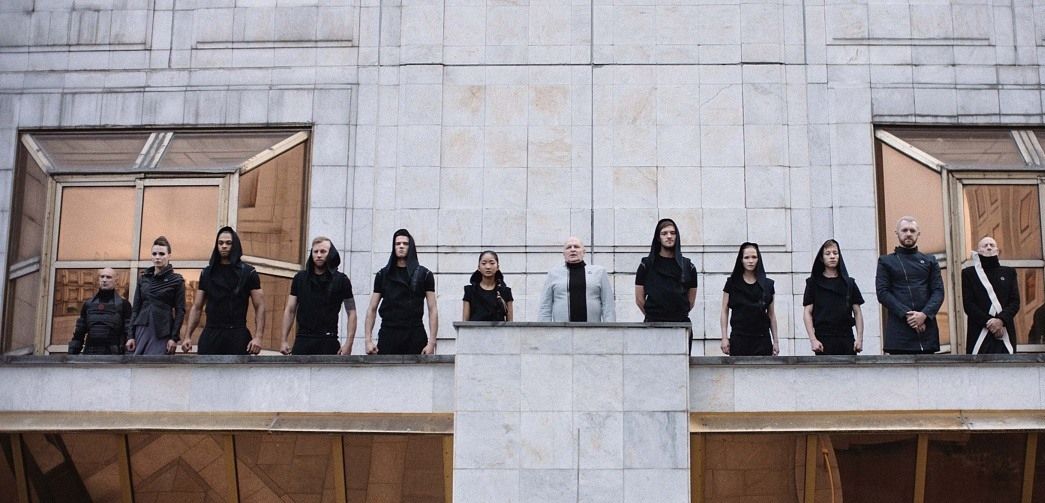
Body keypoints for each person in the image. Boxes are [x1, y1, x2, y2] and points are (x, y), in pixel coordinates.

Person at [182, 227, 265, 355]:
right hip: (211, 334)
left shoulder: (249, 273)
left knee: (237, 369)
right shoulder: (207, 273)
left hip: (237, 334)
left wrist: (258, 337)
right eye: (220, 243)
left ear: (235, 245)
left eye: (228, 243)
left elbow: (260, 306)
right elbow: (197, 307)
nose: (224, 246)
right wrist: (187, 336)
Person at [876, 216, 945, 354]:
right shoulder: (885, 261)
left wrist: (924, 315)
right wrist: (908, 315)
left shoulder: (930, 261)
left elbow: (938, 291)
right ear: (897, 233)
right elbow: (882, 293)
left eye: (912, 230)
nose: (908, 234)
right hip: (899, 331)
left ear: (918, 233)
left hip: (926, 330)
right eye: (904, 230)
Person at [364, 229, 438, 355]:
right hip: (388, 333)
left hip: (415, 333)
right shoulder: (383, 275)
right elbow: (372, 308)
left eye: (405, 243)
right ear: (394, 247)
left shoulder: (425, 274)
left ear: (411, 246)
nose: (401, 246)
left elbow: (433, 309)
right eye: (398, 244)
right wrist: (368, 340)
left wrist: (431, 343)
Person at [280, 236, 356, 355]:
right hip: (303, 339)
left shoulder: (341, 280)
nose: (319, 255)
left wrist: (349, 344)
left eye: (323, 251)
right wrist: (283, 340)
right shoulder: (300, 278)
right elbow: (290, 310)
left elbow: (351, 312)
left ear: (331, 254)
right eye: (315, 252)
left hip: (329, 340)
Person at [802, 239, 865, 355]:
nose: (832, 256)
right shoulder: (812, 283)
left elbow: (857, 312)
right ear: (822, 258)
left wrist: (859, 339)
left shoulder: (849, 283)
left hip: (846, 336)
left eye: (835, 253)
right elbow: (807, 312)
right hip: (823, 337)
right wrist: (813, 340)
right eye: (828, 253)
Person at [126, 236, 186, 355]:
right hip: (141, 329)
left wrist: (173, 338)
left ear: (169, 255)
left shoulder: (177, 280)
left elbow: (180, 311)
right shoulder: (143, 278)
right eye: (154, 254)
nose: (157, 257)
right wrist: (130, 336)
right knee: (138, 364)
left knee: (157, 364)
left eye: (161, 254)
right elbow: (135, 309)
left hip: (163, 332)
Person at [961, 236, 1019, 354]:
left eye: (992, 245)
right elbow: (969, 304)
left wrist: (1001, 320)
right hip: (979, 332)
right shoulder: (969, 274)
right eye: (985, 245)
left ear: (997, 250)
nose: (988, 247)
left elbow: (1015, 302)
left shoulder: (1009, 272)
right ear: (979, 251)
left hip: (1004, 331)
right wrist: (990, 323)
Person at [537, 236, 615, 322]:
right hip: (562, 328)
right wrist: (544, 328)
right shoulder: (553, 274)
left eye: (576, 247)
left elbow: (608, 305)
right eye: (568, 247)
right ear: (564, 253)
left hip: (592, 328)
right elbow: (545, 306)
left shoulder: (599, 272)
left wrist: (610, 328)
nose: (573, 249)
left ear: (584, 252)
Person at [720, 242, 778, 356]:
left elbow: (771, 314)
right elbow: (724, 310)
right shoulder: (732, 283)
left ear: (758, 259)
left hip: (762, 339)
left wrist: (776, 342)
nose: (750, 261)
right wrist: (724, 338)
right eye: (746, 257)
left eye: (754, 257)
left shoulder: (768, 285)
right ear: (741, 260)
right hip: (739, 339)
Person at [635, 218, 698, 322]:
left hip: (680, 324)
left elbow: (691, 301)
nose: (669, 236)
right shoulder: (645, 265)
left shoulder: (689, 267)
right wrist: (653, 317)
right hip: (653, 324)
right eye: (664, 233)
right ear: (658, 238)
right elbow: (639, 299)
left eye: (672, 233)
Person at [68, 267, 131, 355]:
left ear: (116, 281)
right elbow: (79, 332)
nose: (104, 280)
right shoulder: (88, 304)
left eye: (108, 277)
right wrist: (71, 355)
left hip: (114, 355)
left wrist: (128, 355)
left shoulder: (123, 304)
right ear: (99, 280)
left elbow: (129, 331)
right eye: (102, 277)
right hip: (90, 354)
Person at [462, 250, 514, 321]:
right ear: (479, 267)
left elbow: (510, 323)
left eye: (492, 263)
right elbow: (465, 322)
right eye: (484, 263)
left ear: (498, 267)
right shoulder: (470, 291)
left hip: (498, 328)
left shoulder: (505, 291)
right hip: (475, 328)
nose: (488, 267)